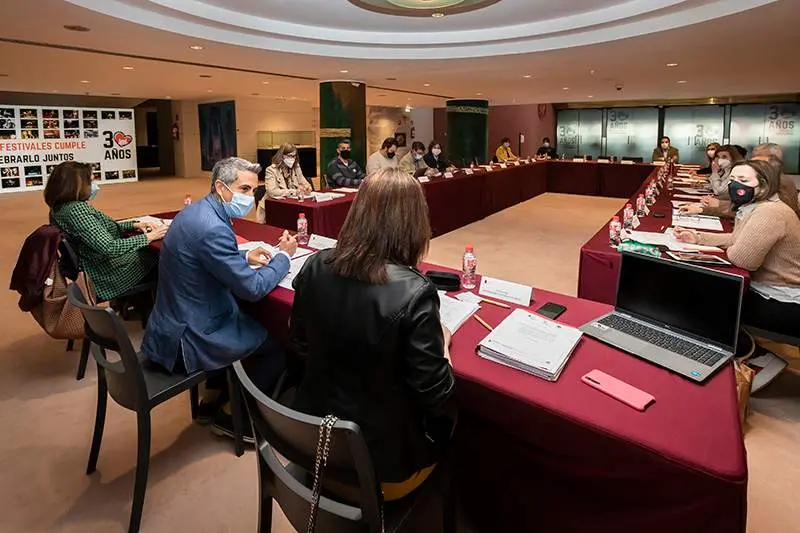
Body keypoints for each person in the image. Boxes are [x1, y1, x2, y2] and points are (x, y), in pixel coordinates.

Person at [290, 168, 456, 501]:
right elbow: (438, 398)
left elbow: (300, 343)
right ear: (413, 223)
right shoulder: (415, 291)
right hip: (380, 466)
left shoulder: (315, 265)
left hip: (313, 440)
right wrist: (445, 344)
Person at [142, 157, 298, 439]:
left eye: (253, 190)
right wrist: (284, 257)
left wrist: (241, 255)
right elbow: (251, 288)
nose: (250, 198)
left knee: (249, 319)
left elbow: (201, 254)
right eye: (244, 189)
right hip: (191, 332)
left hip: (172, 317)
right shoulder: (212, 226)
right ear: (221, 187)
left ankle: (213, 399)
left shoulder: (196, 212)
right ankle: (232, 416)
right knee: (276, 347)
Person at [675, 160, 800, 387]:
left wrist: (734, 246)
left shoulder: (770, 213)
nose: (734, 186)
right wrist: (699, 238)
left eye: (743, 181)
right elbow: (737, 241)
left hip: (784, 299)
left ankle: (755, 357)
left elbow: (743, 258)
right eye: (732, 180)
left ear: (763, 186)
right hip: (770, 289)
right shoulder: (758, 206)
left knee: (703, 300)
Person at [45, 161, 166, 302]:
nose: (95, 186)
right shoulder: (77, 211)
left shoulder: (59, 209)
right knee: (163, 256)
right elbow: (110, 248)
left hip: (93, 264)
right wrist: (150, 236)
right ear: (76, 187)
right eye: (90, 181)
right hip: (105, 274)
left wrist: (135, 225)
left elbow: (100, 229)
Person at [257, 143, 313, 223]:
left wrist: (307, 188)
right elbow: (272, 191)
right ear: (282, 155)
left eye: (294, 156)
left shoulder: (296, 167)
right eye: (290, 156)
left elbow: (304, 183)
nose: (292, 159)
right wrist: (294, 192)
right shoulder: (271, 170)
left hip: (291, 206)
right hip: (273, 209)